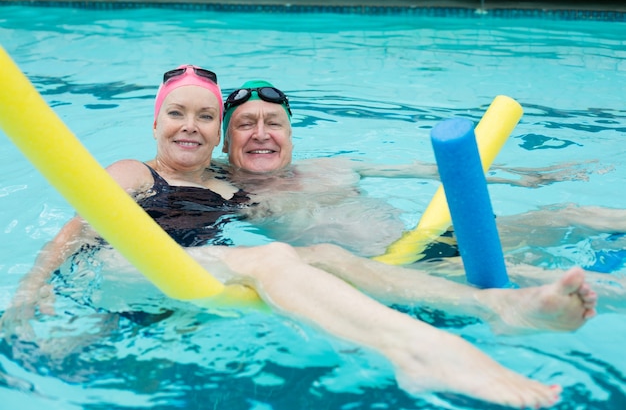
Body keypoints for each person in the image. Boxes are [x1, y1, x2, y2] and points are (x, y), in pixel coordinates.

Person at [1, 65, 598, 409]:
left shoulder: (236, 191)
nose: (189, 125)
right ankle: (415, 352)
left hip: (188, 279)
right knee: (277, 257)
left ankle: (496, 304)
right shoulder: (134, 172)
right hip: (120, 270)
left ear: (216, 137)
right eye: (176, 114)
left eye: (203, 117)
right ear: (155, 123)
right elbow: (72, 234)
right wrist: (31, 289)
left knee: (321, 254)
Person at [219, 80, 626, 274]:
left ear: (290, 136)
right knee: (534, 270)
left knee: (570, 212)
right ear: (223, 142)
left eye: (273, 122)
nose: (260, 133)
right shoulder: (218, 186)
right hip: (389, 272)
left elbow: (425, 170)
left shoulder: (331, 167)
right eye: (244, 125)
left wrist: (522, 178)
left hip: (426, 241)